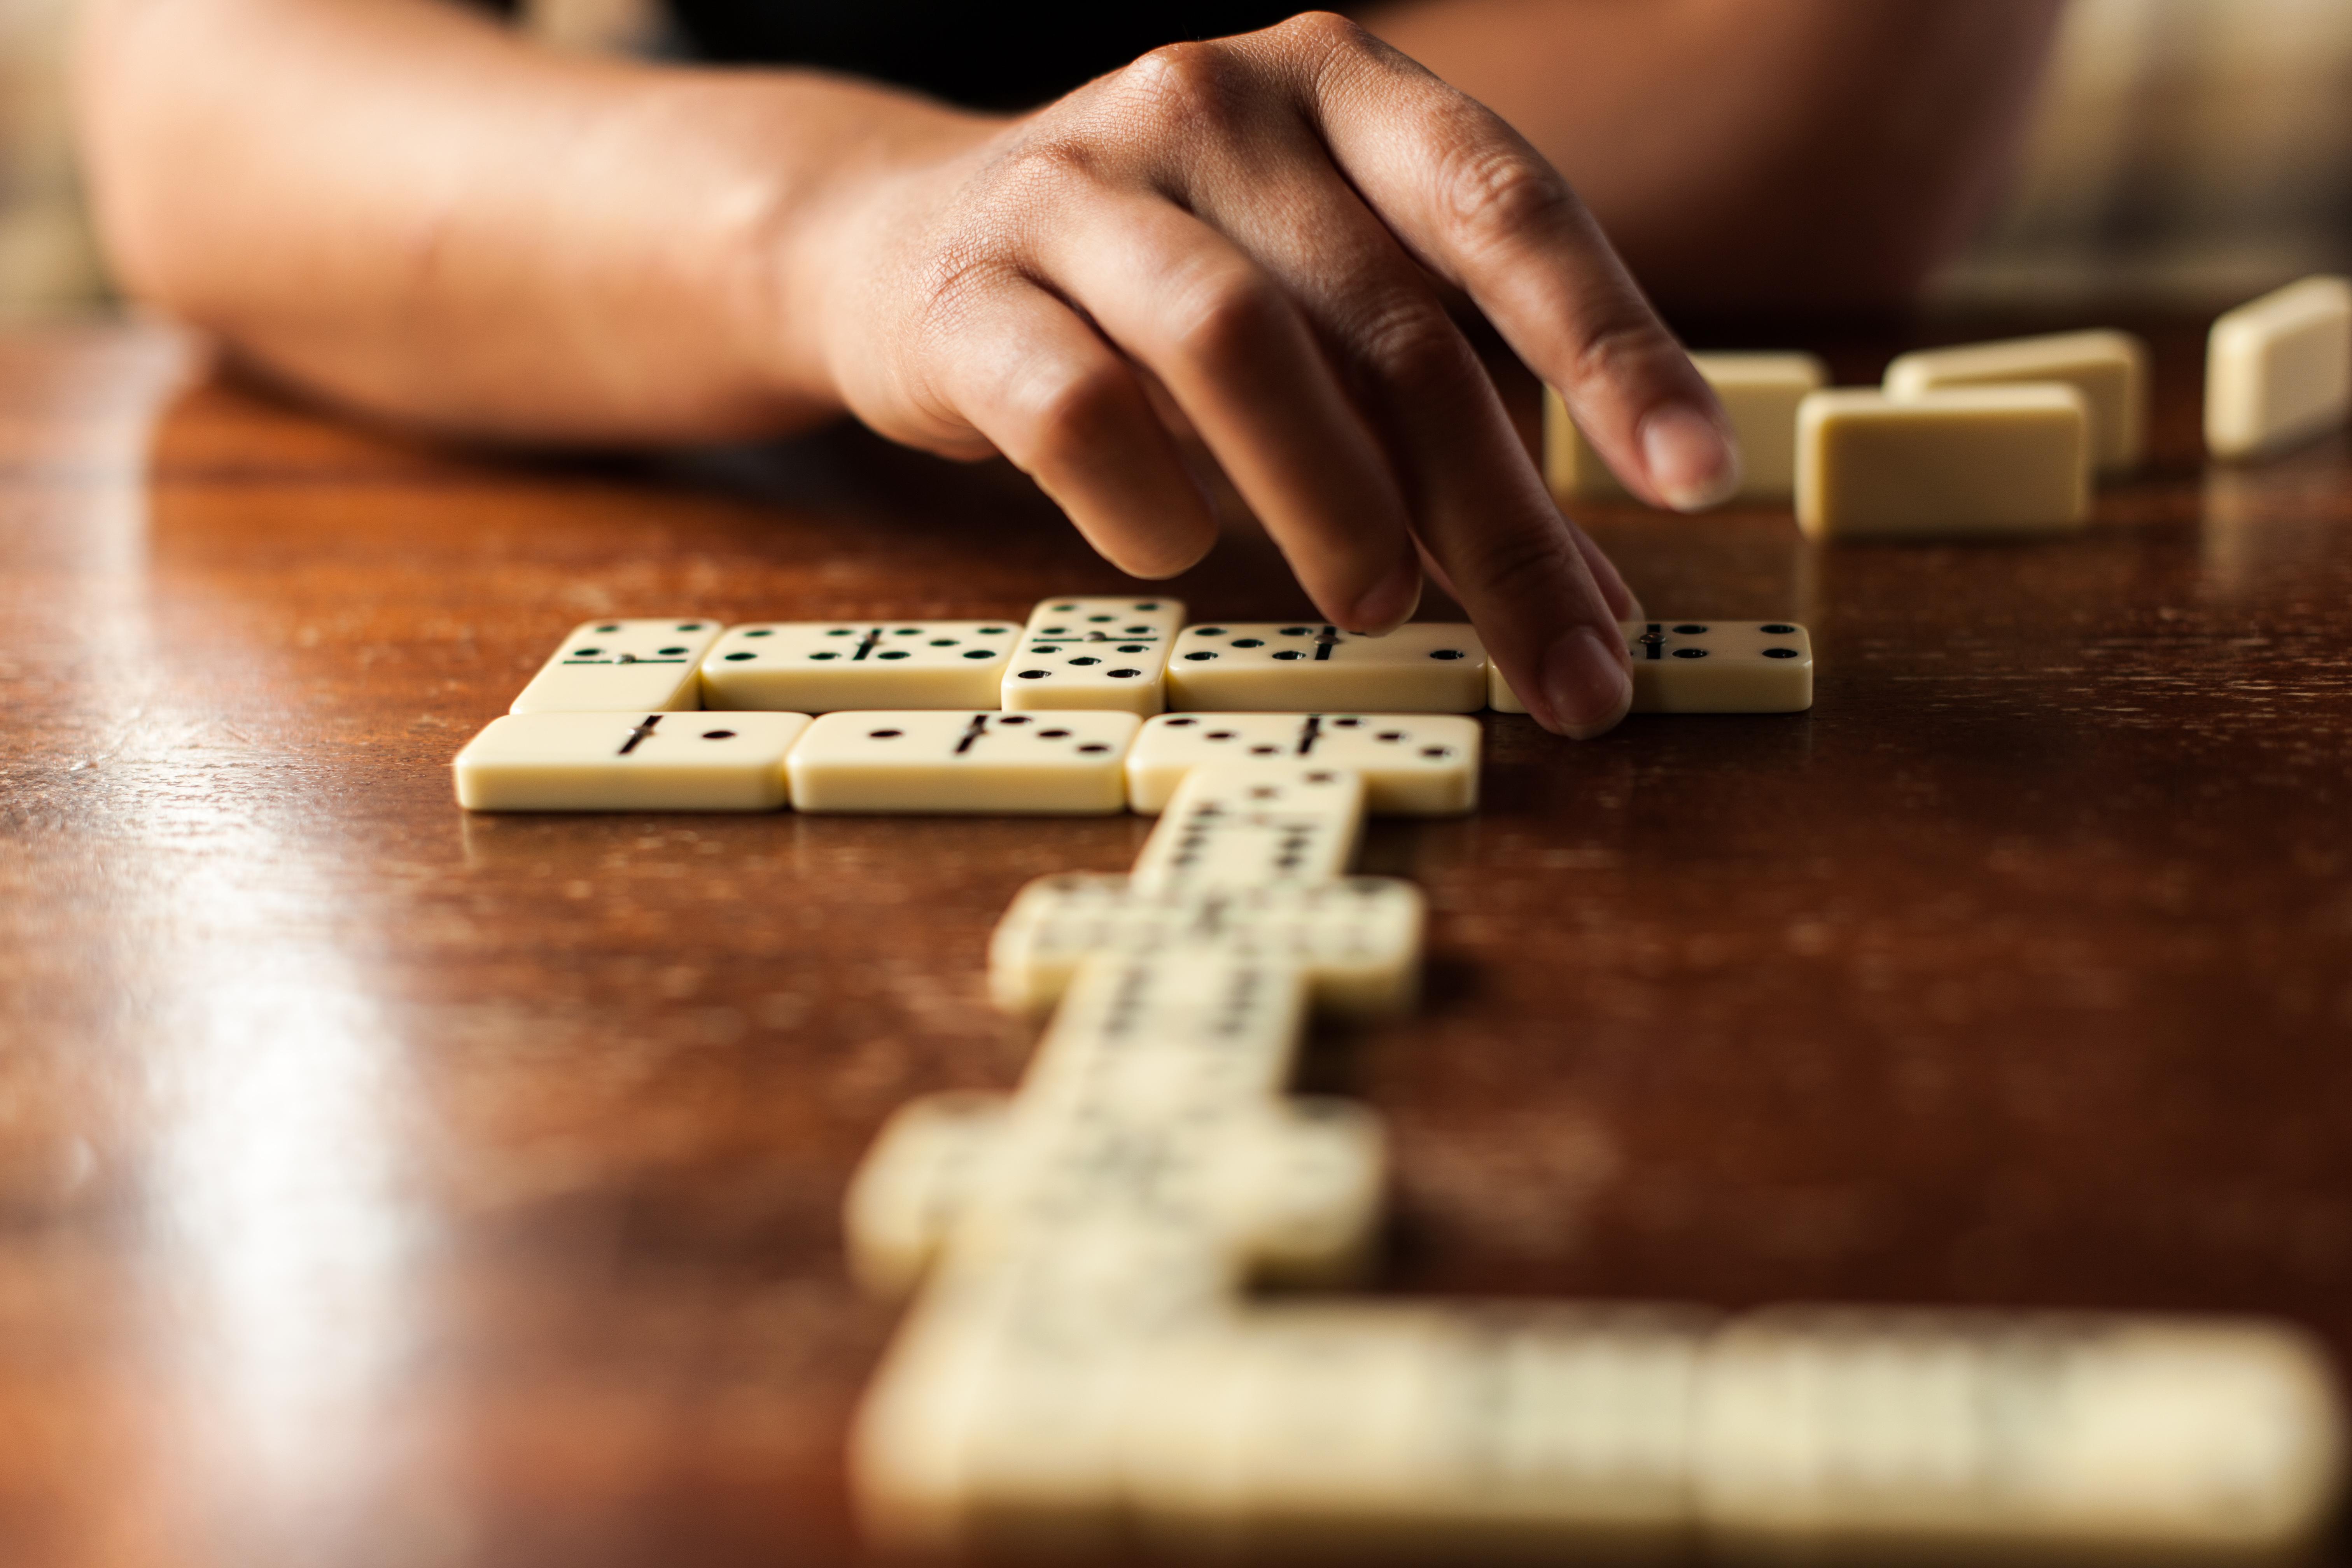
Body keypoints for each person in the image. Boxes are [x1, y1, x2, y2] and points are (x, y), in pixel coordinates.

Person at [73, 0, 2065, 737]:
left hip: (1609, 419)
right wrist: (841, 220)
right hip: (714, 321)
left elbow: (1849, 89)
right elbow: (191, 87)